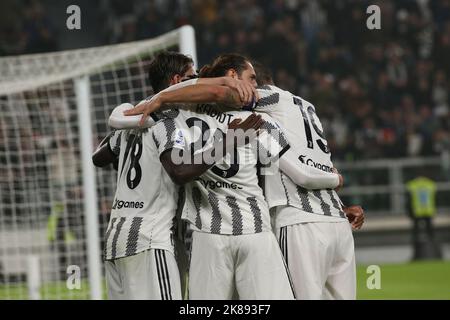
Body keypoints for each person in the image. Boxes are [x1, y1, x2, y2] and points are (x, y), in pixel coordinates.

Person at [121, 53, 343, 299]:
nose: (255, 87)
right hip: (255, 230)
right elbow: (286, 173)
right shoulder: (259, 121)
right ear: (232, 78)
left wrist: (159, 99)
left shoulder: (179, 113)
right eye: (252, 79)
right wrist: (334, 180)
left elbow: (123, 127)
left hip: (208, 234)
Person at [93, 51, 254, 299]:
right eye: (193, 77)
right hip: (151, 237)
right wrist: (228, 142)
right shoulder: (168, 117)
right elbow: (179, 171)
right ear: (177, 81)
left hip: (116, 238)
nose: (198, 82)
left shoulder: (135, 116)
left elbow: (100, 157)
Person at [247, 63, 364, 299]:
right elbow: (313, 161)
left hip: (299, 221)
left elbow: (228, 96)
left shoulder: (267, 103)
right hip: (336, 222)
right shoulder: (306, 108)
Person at [406, 175, 442, 260]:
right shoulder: (430, 184)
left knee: (416, 234)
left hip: (417, 212)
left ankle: (417, 254)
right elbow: (436, 198)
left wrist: (409, 212)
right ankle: (435, 252)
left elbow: (408, 199)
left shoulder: (412, 185)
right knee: (431, 233)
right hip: (429, 211)